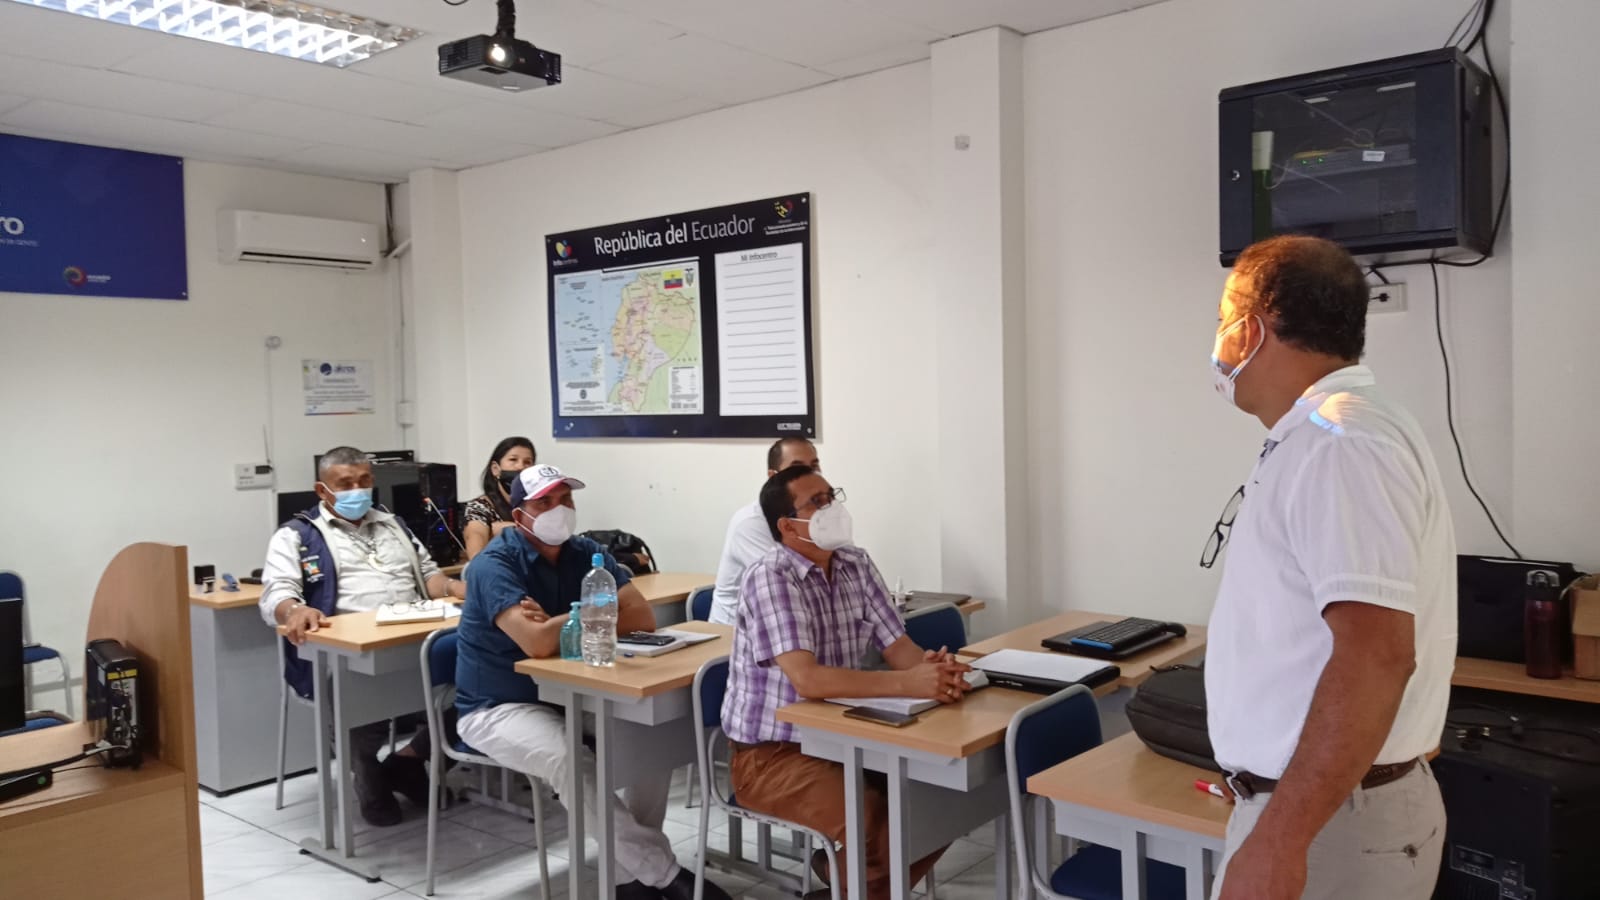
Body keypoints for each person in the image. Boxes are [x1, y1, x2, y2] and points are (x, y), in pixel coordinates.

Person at [1202, 236, 1456, 900]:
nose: (1219, 340)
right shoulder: (1325, 434)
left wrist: (1280, 841)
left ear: (1251, 328)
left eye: (1224, 319)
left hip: (1327, 827)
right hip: (1321, 810)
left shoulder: (1342, 444)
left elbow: (1376, 656)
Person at [454, 464, 733, 900]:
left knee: (649, 735)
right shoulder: (494, 564)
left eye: (565, 498)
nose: (559, 509)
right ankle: (663, 874)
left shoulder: (584, 551)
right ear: (519, 514)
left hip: (571, 693)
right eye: (545, 502)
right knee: (572, 759)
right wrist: (594, 609)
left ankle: (629, 878)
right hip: (498, 706)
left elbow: (640, 617)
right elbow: (537, 643)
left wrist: (562, 618)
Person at [722, 465, 968, 899]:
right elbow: (808, 680)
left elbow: (899, 647)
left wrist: (936, 673)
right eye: (816, 502)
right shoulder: (771, 576)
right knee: (872, 817)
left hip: (845, 738)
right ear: (787, 526)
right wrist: (910, 684)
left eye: (831, 496)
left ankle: (843, 880)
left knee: (942, 798)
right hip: (771, 755)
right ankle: (847, 879)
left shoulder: (856, 563)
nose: (830, 508)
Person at [259, 445, 468, 826]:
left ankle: (408, 761)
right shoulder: (297, 535)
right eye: (345, 484)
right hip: (347, 655)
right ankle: (369, 777)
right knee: (354, 700)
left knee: (477, 687)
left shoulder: (394, 524)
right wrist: (294, 609)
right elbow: (276, 593)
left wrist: (454, 587)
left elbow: (428, 574)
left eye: (364, 481)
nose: (357, 490)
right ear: (322, 490)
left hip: (414, 640)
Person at [707, 437, 820, 625]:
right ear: (773, 477)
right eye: (797, 468)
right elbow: (785, 583)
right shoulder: (751, 522)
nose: (810, 476)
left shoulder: (819, 515)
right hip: (737, 632)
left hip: (792, 620)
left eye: (814, 467)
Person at [464, 436, 537, 560]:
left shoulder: (537, 504)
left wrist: (499, 530)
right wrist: (516, 529)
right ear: (495, 469)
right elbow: (476, 554)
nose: (520, 467)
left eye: (527, 462)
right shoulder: (480, 507)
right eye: (513, 459)